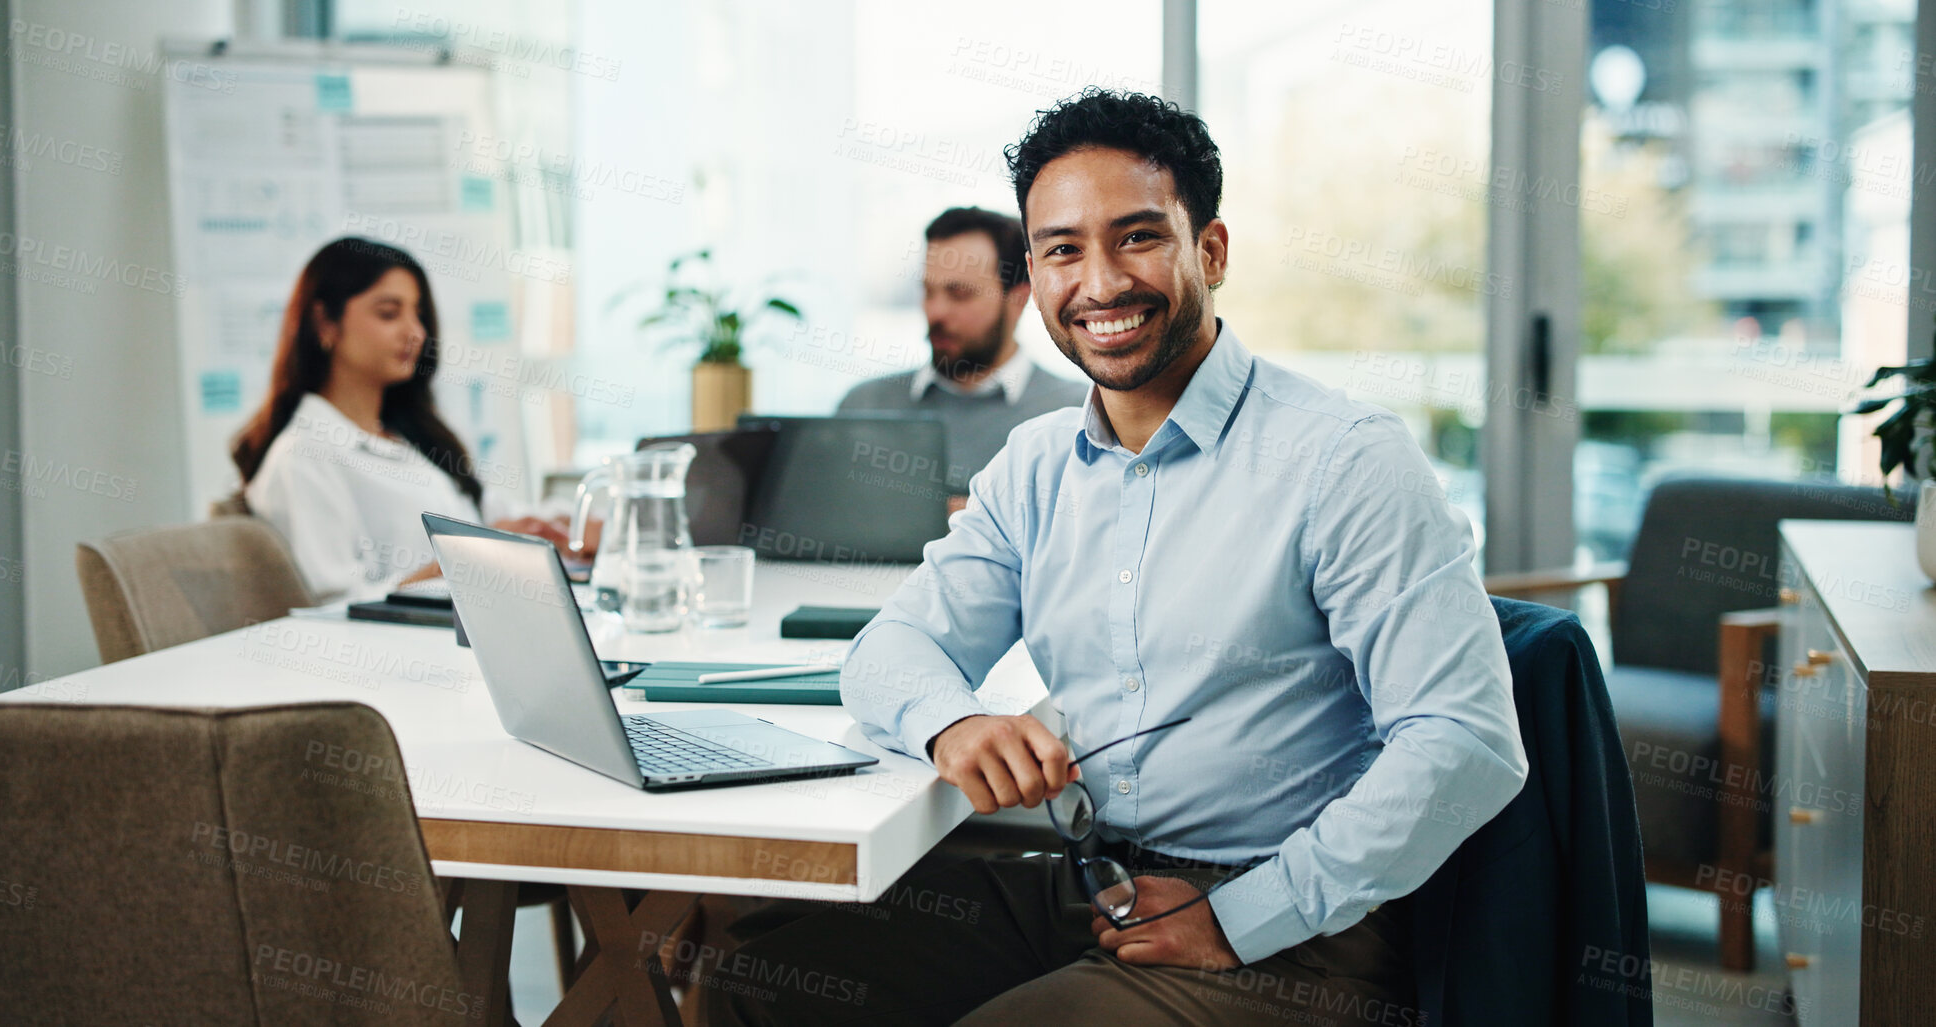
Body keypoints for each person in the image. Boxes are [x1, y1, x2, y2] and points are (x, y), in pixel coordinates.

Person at [705, 90, 1527, 1026]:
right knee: (759, 981)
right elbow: (888, 650)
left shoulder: (1343, 459)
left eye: (1136, 237)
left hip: (1295, 929)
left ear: (1209, 251)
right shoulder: (1036, 467)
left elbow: (1464, 741)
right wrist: (952, 722)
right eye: (1061, 249)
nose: (1097, 283)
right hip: (1093, 885)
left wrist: (1240, 917)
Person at [233, 237, 569, 602]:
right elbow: (334, 606)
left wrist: (567, 524)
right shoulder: (303, 457)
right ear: (324, 322)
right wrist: (456, 563)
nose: (416, 332)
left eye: (418, 314)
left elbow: (492, 513)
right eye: (389, 313)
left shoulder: (412, 437)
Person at [837, 207, 1086, 512]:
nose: (936, 311)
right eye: (929, 292)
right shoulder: (863, 407)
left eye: (960, 294)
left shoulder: (1078, 415)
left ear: (1019, 299)